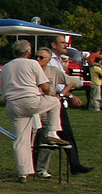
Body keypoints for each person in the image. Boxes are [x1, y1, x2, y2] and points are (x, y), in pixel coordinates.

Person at [0, 40, 66, 183]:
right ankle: (52, 132)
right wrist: (48, 93)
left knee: (20, 140)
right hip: (30, 100)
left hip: (12, 104)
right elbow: (44, 85)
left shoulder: (6, 67)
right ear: (29, 53)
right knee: (54, 102)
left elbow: (3, 89)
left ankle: (22, 173)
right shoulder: (33, 64)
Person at [38, 41, 90, 176]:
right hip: (38, 106)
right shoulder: (37, 67)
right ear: (54, 44)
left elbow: (71, 81)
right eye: (62, 42)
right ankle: (37, 169)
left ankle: (74, 164)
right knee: (41, 137)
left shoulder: (56, 65)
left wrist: (63, 94)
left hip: (56, 105)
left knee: (64, 134)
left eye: (41, 57)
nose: (66, 45)